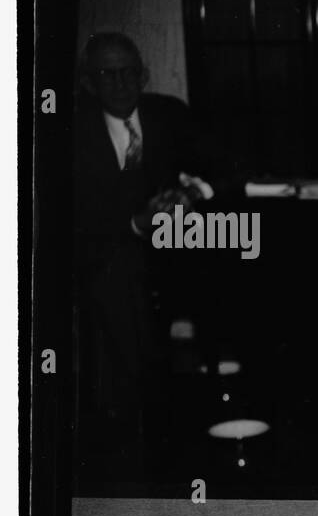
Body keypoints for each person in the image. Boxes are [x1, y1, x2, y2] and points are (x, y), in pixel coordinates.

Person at [72, 31, 240, 463]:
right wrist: (134, 223)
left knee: (232, 245)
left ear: (144, 75)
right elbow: (72, 220)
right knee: (119, 279)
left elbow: (224, 169)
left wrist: (194, 194)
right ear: (88, 82)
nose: (122, 83)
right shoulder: (70, 131)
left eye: (131, 72)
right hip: (107, 254)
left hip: (175, 247)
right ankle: (136, 429)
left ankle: (219, 403)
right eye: (108, 74)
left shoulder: (168, 114)